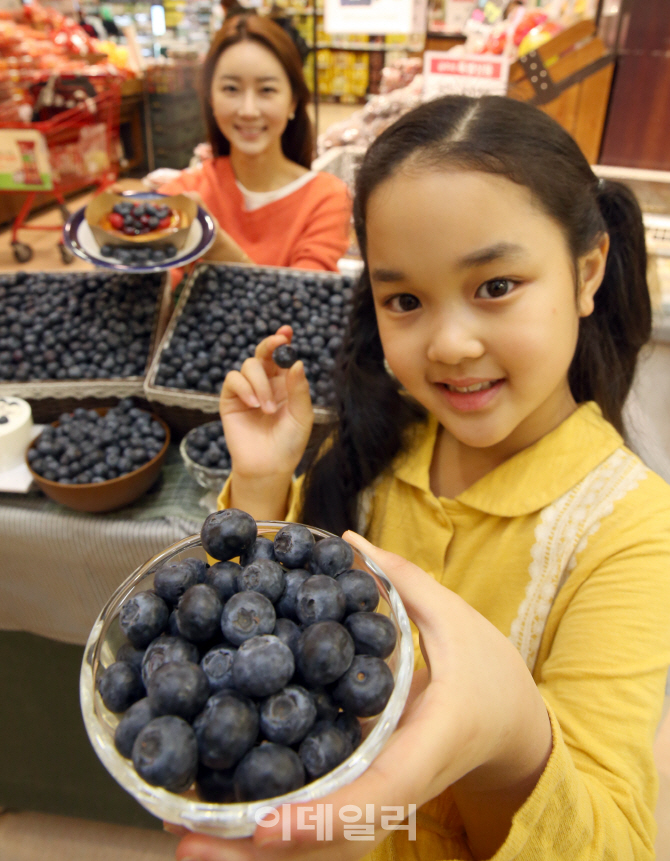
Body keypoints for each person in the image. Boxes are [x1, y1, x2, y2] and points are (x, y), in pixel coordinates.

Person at [175, 95, 670, 860]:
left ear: (587, 270)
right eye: (404, 299)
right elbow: (267, 631)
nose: (450, 344)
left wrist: (510, 740)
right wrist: (265, 480)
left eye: (496, 285)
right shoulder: (378, 456)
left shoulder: (630, 533)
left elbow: (614, 842)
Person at [158, 15, 351, 273]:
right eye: (231, 89)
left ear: (293, 101)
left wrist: (215, 246)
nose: (248, 111)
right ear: (210, 98)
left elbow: (303, 305)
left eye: (267, 90)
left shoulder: (325, 199)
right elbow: (159, 298)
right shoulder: (183, 193)